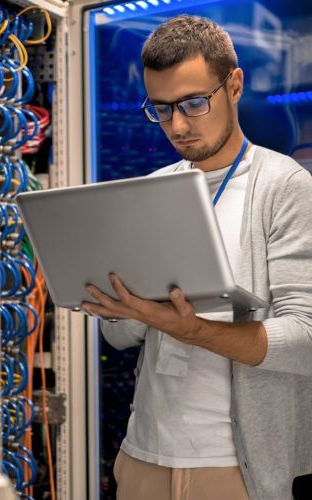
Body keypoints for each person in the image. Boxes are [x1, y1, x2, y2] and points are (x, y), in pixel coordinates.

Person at [81, 14, 312, 500]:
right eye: (162, 109)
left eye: (193, 103)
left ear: (234, 85)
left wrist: (192, 329)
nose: (178, 125)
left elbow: (306, 339)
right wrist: (124, 307)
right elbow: (119, 336)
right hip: (144, 455)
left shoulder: (284, 186)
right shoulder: (150, 191)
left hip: (233, 468)